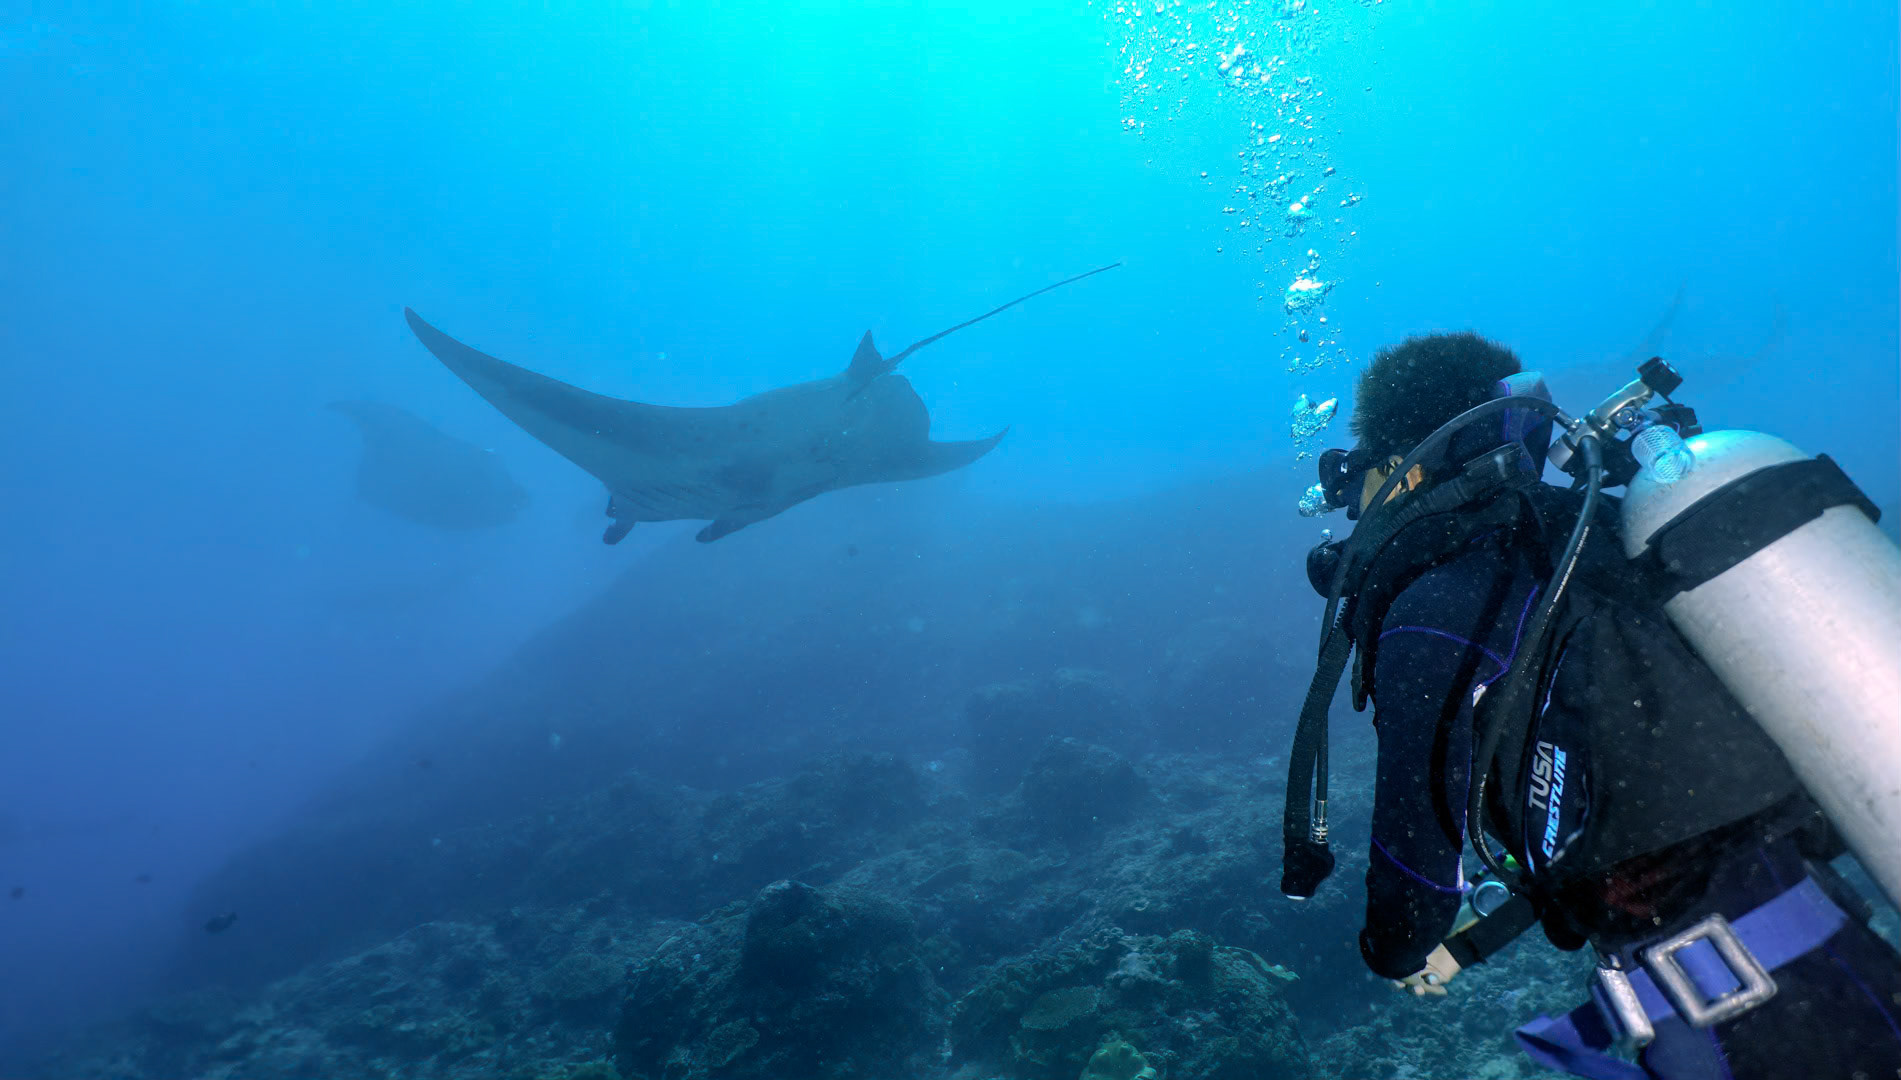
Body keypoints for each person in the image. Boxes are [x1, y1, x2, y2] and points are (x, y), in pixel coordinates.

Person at [1330, 331, 1901, 1080]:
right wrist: (1467, 945)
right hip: (1817, 952)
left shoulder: (1438, 600)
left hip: (1741, 1013)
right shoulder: (1600, 534)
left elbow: (1418, 823)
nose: (1349, 512)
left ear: (1405, 468)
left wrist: (1397, 945)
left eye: (1359, 478)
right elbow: (1613, 804)